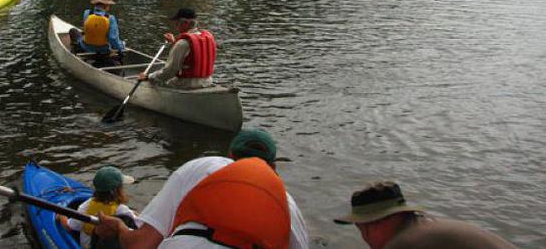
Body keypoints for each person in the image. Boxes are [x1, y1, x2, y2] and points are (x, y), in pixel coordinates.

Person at [94, 129, 310, 249]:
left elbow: (141, 246)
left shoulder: (199, 167)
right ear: (273, 167)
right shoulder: (287, 204)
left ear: (230, 157)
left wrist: (121, 229)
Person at [334, 181, 515, 249]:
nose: (364, 239)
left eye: (360, 226)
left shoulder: (404, 243)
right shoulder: (427, 228)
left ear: (377, 222)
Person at [57, 166, 140, 249]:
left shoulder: (85, 206)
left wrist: (61, 215)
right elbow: (140, 226)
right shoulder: (122, 210)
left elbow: (68, 226)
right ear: (117, 190)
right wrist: (135, 214)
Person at [138, 8, 214, 89]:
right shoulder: (206, 38)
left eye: (177, 22)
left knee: (156, 81)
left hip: (187, 84)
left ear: (185, 23)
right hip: (207, 82)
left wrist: (148, 77)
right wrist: (174, 42)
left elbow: (170, 71)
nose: (176, 25)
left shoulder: (182, 44)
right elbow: (192, 53)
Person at [70, 0, 125, 66]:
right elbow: (113, 39)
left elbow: (87, 31)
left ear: (95, 3)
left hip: (86, 47)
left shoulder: (87, 13)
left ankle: (74, 52)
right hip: (104, 51)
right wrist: (121, 46)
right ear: (107, 5)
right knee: (119, 44)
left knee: (73, 31)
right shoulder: (111, 18)